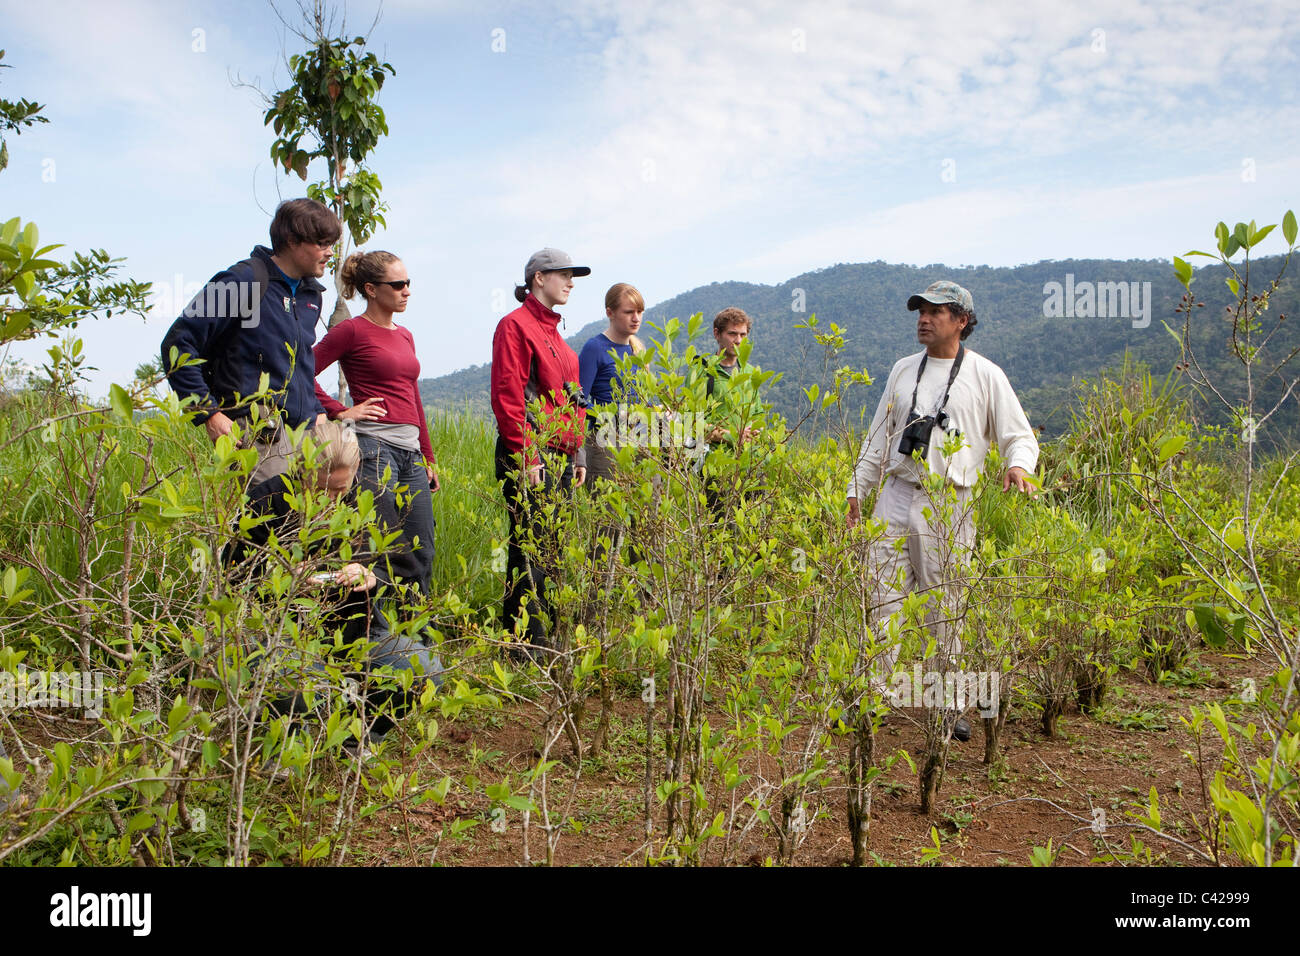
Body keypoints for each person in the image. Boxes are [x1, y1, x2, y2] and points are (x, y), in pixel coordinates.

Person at [845, 280, 1038, 741]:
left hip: (949, 502)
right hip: (894, 492)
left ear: (962, 321)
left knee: (946, 605)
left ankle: (950, 707)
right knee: (880, 597)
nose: (923, 319)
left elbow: (1019, 436)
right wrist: (857, 489)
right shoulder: (902, 370)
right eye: (920, 311)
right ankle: (870, 698)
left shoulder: (986, 375)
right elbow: (877, 436)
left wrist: (1017, 467)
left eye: (935, 312)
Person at [225, 421, 441, 756]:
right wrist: (282, 578)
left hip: (357, 632)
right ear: (301, 469)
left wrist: (373, 575)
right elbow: (232, 576)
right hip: (284, 636)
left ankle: (359, 736)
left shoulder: (370, 495)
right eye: (320, 487)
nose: (329, 499)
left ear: (356, 471)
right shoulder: (266, 500)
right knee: (294, 681)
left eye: (340, 490)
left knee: (425, 672)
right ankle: (283, 746)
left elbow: (405, 565)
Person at [160, 198, 342, 487]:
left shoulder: (312, 295)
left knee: (313, 526)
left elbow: (298, 365)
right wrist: (209, 414)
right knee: (264, 524)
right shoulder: (245, 280)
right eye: (322, 243)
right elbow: (178, 344)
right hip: (256, 430)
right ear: (292, 241)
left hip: (306, 434)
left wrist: (316, 411)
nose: (330, 252)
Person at [312, 250, 439, 614]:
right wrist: (340, 410)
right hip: (372, 449)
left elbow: (413, 397)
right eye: (397, 284)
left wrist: (427, 456)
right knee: (375, 550)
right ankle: (368, 636)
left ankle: (414, 635)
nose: (406, 291)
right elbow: (300, 369)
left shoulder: (406, 336)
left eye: (408, 283)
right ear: (370, 289)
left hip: (409, 452)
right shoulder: (351, 330)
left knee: (420, 549)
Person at [490, 248, 590, 657]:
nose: (570, 282)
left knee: (550, 548)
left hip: (562, 457)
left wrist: (579, 452)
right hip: (532, 453)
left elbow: (574, 402)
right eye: (563, 274)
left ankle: (541, 639)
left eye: (572, 276)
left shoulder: (558, 337)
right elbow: (508, 396)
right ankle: (524, 646)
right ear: (537, 278)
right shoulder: (515, 326)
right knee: (528, 547)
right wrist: (527, 453)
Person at [693, 307, 759, 518]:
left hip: (751, 466)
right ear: (717, 334)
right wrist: (732, 436)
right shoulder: (702, 372)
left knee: (754, 537)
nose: (738, 340)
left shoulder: (750, 373)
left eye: (742, 334)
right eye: (732, 333)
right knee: (722, 533)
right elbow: (691, 423)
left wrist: (756, 432)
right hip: (718, 466)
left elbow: (758, 415)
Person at [579, 282, 645, 489]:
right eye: (629, 312)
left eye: (640, 312)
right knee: (609, 519)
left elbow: (641, 397)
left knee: (650, 515)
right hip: (605, 441)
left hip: (642, 439)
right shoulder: (595, 348)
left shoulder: (639, 351)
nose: (636, 318)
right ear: (610, 312)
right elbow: (578, 400)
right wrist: (613, 414)